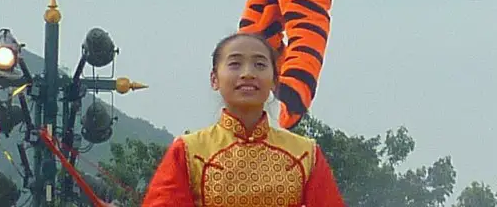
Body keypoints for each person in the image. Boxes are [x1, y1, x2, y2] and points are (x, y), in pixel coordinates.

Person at [142, 32, 346, 206]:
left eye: (259, 64)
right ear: (215, 79)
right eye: (235, 64)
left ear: (275, 80)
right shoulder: (188, 152)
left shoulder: (305, 153)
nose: (248, 73)